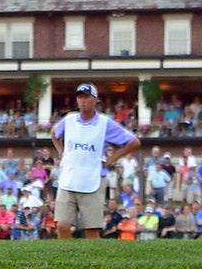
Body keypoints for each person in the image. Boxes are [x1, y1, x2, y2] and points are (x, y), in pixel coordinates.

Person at [50, 84, 139, 238]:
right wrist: (62, 152)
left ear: (95, 100)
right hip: (68, 179)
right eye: (80, 97)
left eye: (86, 97)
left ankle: (93, 260)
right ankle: (65, 259)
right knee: (62, 225)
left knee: (91, 229)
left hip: (92, 180)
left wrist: (111, 159)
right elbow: (54, 133)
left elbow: (133, 141)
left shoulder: (105, 123)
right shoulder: (69, 119)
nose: (82, 101)